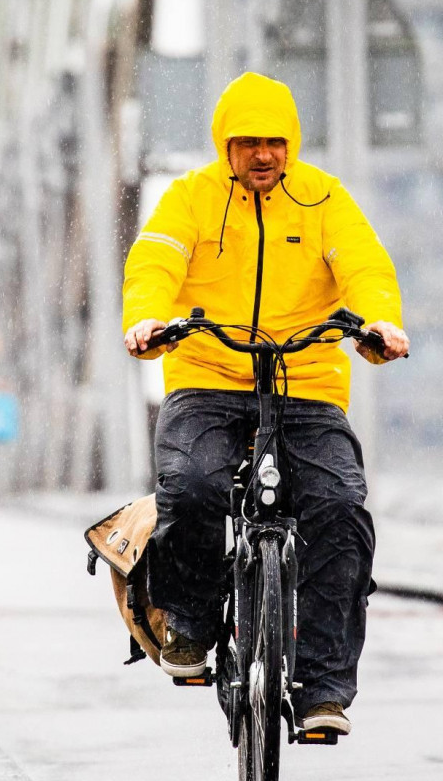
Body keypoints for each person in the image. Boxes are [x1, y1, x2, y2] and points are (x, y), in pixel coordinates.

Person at [122, 73, 409, 737]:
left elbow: (364, 265)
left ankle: (322, 685)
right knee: (190, 486)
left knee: (340, 507)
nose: (262, 155)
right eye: (248, 141)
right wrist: (147, 319)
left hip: (304, 379)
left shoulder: (323, 199)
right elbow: (154, 264)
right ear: (226, 142)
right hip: (208, 371)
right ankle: (190, 619)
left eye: (274, 142)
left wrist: (380, 323)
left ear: (292, 143)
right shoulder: (190, 199)